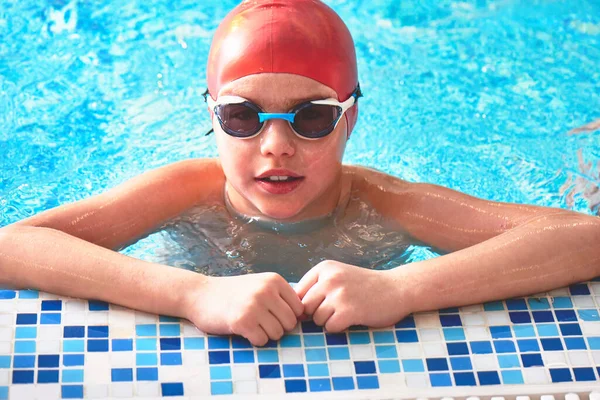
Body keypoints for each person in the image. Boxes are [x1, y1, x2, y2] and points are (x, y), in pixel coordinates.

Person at [1, 0, 599, 347]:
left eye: (312, 118)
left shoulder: (383, 204)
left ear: (350, 120)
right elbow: (13, 246)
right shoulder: (186, 193)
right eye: (242, 116)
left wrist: (404, 290)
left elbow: (586, 237)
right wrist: (191, 294)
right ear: (210, 118)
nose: (277, 146)